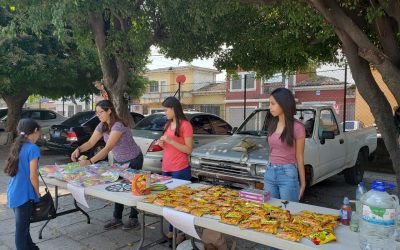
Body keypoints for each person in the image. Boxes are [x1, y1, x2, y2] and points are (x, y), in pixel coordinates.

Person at [70, 100, 143, 230]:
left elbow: (108, 147)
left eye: (101, 112)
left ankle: (134, 218)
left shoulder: (118, 126)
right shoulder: (102, 125)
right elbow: (91, 142)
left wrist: (90, 161)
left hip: (133, 159)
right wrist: (79, 149)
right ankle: (117, 218)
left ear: (109, 110)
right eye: (97, 113)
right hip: (119, 161)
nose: (98, 115)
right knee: (117, 188)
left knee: (132, 189)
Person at [156, 96, 193, 242]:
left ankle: (181, 234)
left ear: (173, 109)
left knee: (180, 202)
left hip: (180, 168)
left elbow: (188, 149)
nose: (165, 112)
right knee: (169, 201)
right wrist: (161, 143)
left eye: (166, 109)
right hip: (167, 167)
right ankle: (171, 231)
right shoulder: (167, 125)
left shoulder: (185, 125)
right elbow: (166, 146)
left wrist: (170, 141)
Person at [264, 88, 306, 202]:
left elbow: (300, 157)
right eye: (269, 104)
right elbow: (272, 150)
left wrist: (303, 183)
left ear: (284, 104)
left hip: (287, 174)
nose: (270, 107)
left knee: (288, 212)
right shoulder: (272, 124)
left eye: (273, 104)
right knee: (269, 212)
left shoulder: (298, 127)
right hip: (270, 172)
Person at [5, 118, 41, 250]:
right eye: (39, 133)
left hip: (14, 191)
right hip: (23, 195)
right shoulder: (32, 148)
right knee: (21, 230)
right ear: (36, 131)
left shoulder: (18, 145)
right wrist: (38, 192)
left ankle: (32, 247)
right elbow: (33, 175)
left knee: (24, 227)